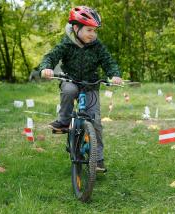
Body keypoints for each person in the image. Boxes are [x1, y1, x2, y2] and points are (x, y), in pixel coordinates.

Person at [38, 6, 122, 172]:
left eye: (95, 31)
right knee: (68, 91)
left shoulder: (96, 45)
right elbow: (51, 57)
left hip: (91, 84)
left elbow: (108, 61)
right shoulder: (66, 43)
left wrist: (115, 74)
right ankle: (63, 121)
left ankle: (98, 159)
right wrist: (46, 68)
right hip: (71, 80)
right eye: (89, 30)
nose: (93, 34)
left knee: (96, 122)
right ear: (76, 28)